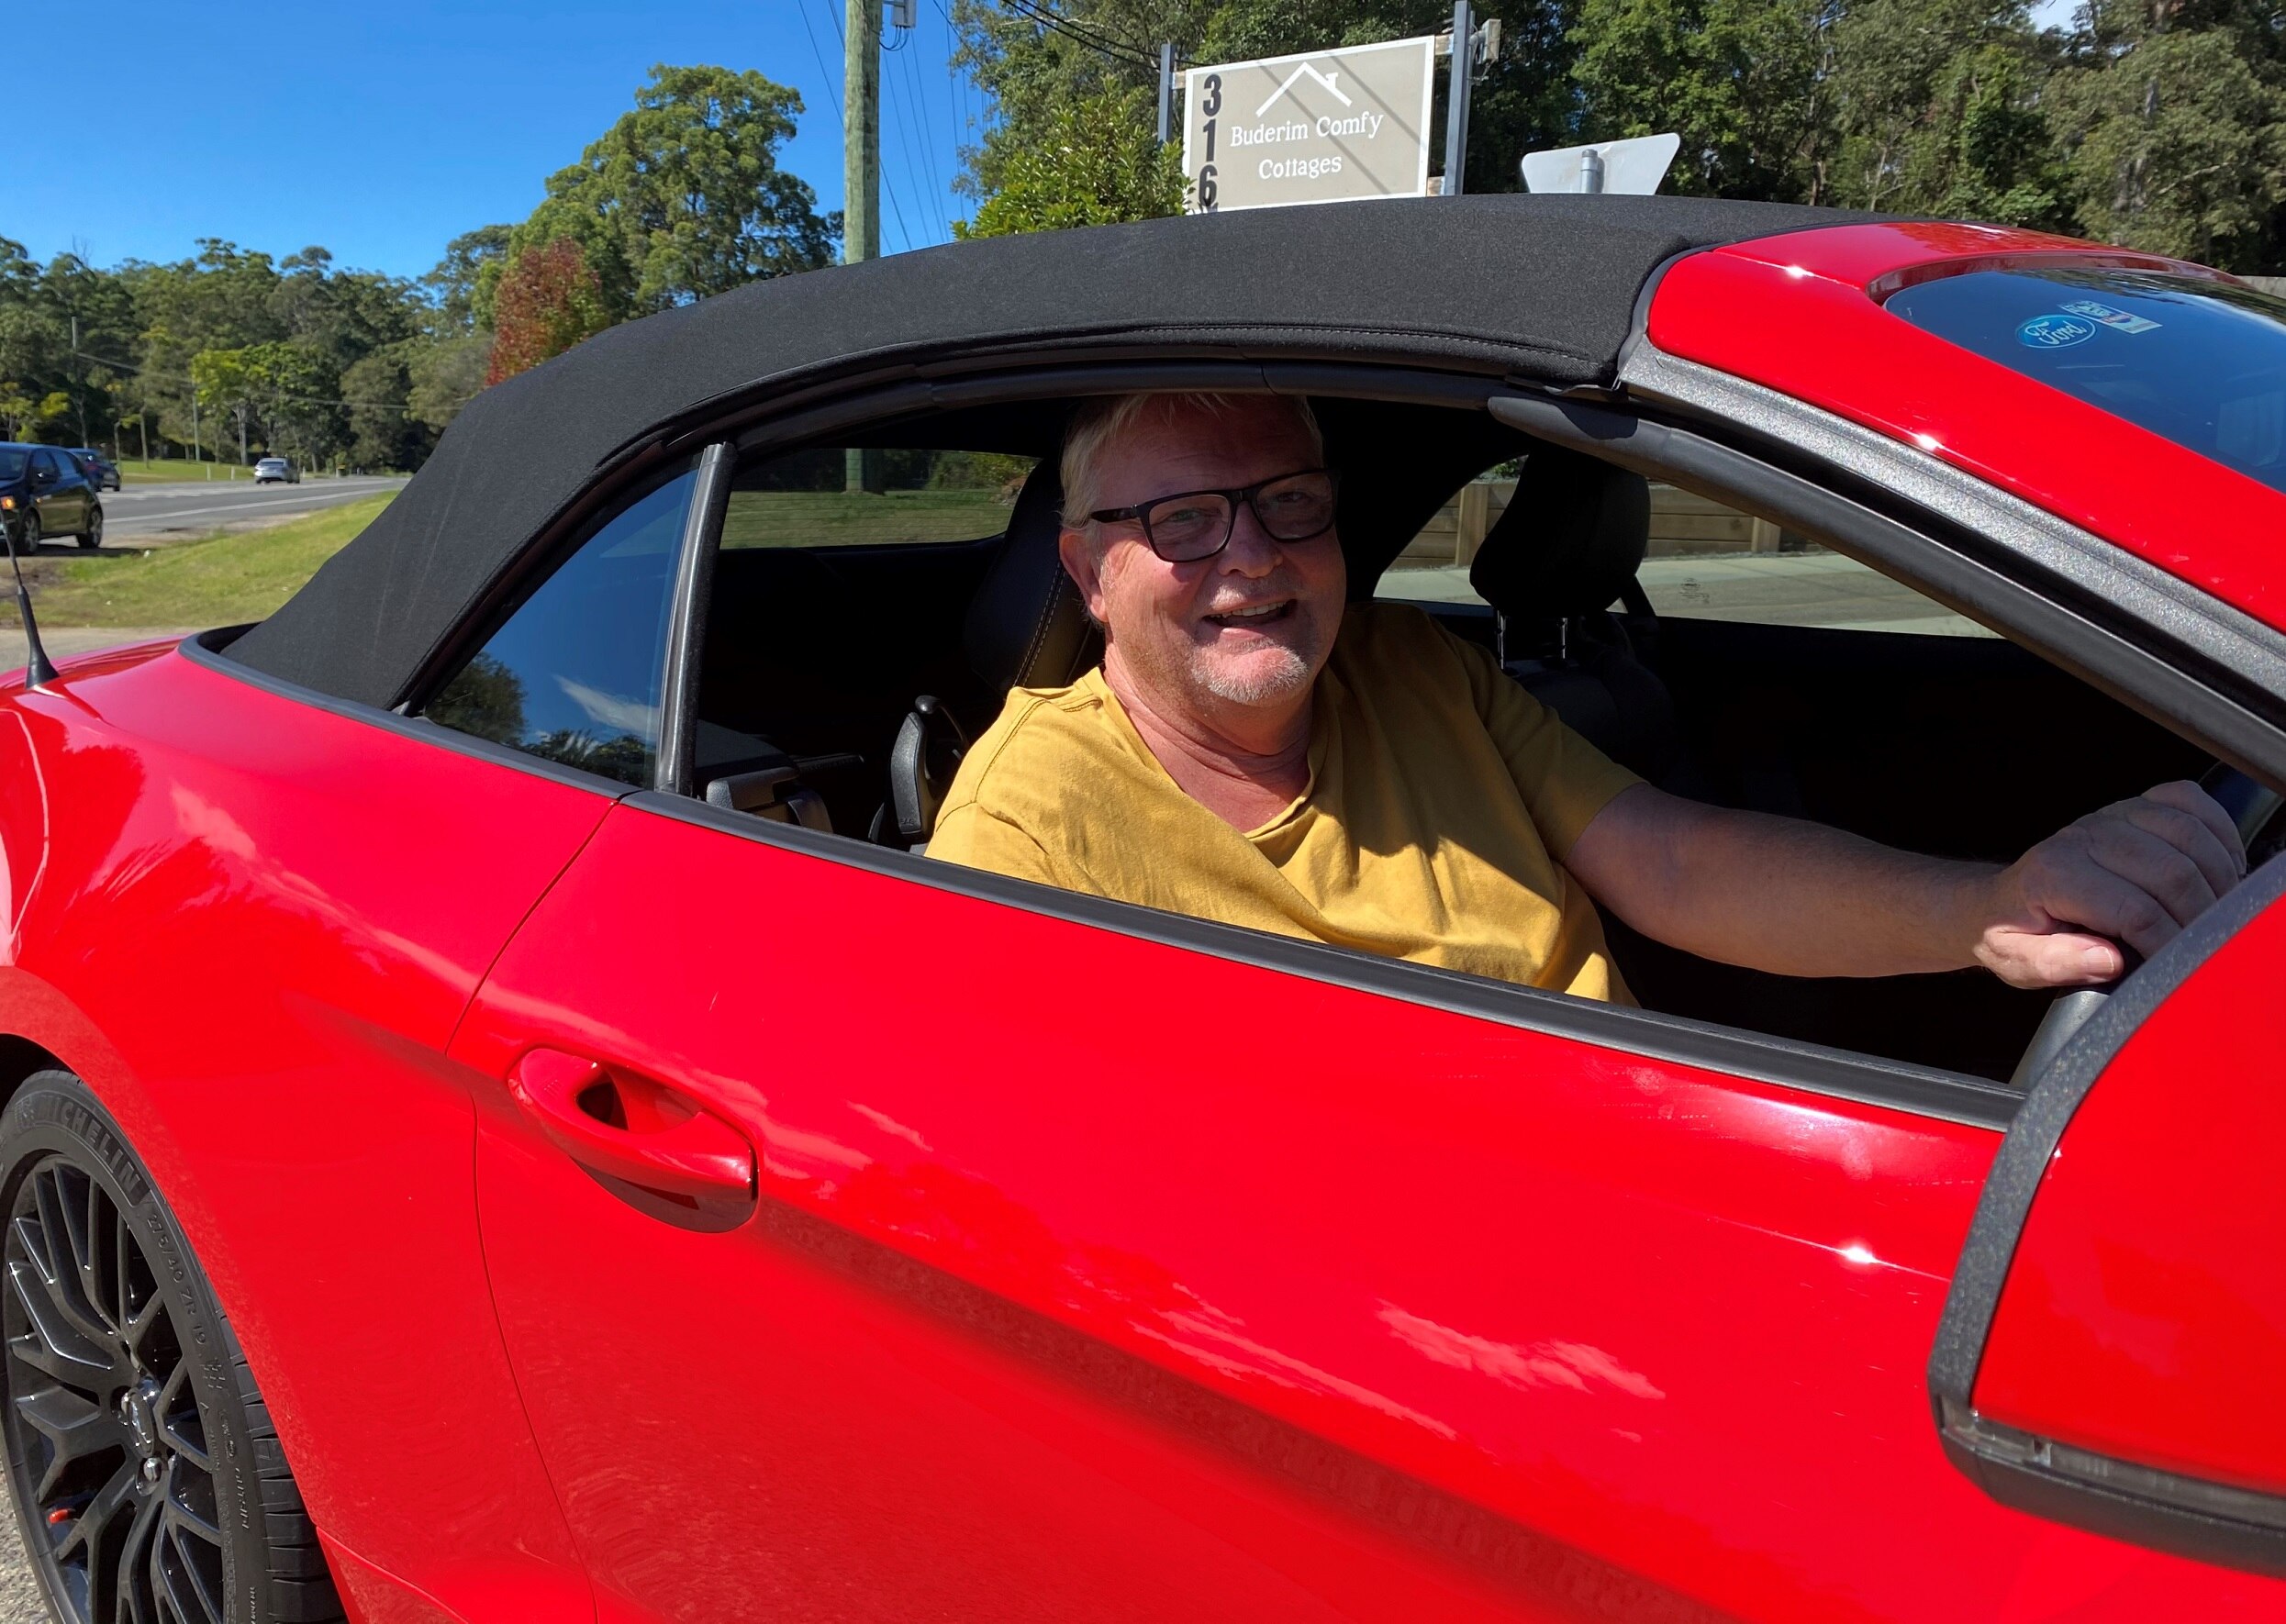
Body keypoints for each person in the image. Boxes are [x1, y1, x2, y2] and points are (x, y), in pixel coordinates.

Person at [928, 393, 2246, 1003]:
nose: (1254, 556)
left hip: (1618, 1159)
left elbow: (1668, 857)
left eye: (1288, 501)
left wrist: (1985, 908)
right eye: (1184, 521)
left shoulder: (1414, 668)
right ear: (1091, 571)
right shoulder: (1027, 821)